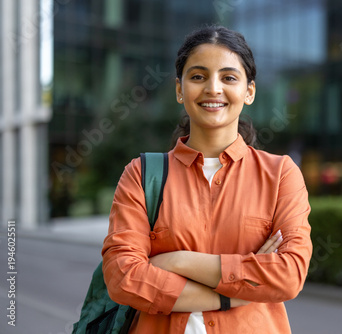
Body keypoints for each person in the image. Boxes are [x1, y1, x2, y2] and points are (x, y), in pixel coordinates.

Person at [102, 25, 312, 334]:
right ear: (179, 89)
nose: (213, 89)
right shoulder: (142, 174)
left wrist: (176, 261)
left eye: (229, 78)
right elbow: (122, 278)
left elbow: (289, 274)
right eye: (198, 76)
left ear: (249, 91)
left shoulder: (280, 174)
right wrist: (233, 297)